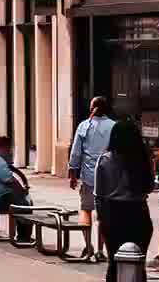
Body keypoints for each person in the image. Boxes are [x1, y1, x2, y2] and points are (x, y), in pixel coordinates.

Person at [94, 121, 154, 281]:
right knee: (137, 263)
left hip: (113, 213)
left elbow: (99, 194)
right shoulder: (142, 160)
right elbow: (149, 187)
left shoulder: (105, 160)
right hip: (139, 212)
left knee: (114, 263)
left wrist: (102, 219)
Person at [68, 96, 115, 263]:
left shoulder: (84, 126)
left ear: (92, 107)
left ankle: (88, 246)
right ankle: (101, 250)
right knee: (103, 214)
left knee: (86, 210)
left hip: (88, 175)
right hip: (108, 175)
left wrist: (73, 174)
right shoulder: (113, 126)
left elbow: (76, 153)